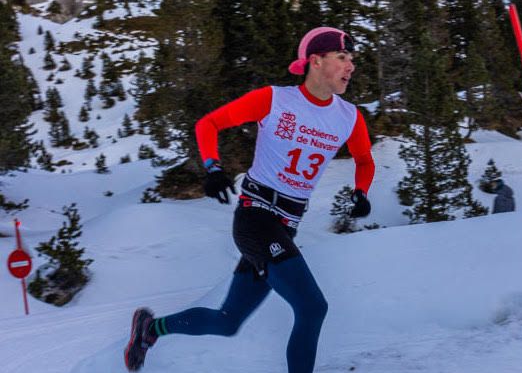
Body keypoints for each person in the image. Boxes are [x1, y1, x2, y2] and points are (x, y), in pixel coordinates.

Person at [124, 27, 375, 373]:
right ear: (316, 61)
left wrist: (361, 192)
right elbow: (208, 124)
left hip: (286, 226)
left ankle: (149, 330)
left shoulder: (349, 117)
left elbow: (364, 159)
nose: (351, 66)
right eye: (343, 58)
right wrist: (212, 168)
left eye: (352, 60)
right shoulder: (275, 99)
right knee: (312, 307)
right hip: (255, 218)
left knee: (228, 320)